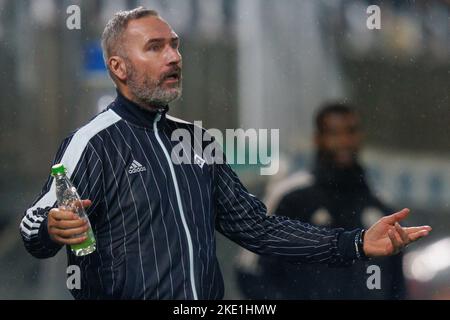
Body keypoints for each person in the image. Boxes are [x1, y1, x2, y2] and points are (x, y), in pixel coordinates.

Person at [19, 7, 431, 300]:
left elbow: (258, 229)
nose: (174, 57)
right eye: (156, 47)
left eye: (175, 46)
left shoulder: (197, 142)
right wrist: (51, 228)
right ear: (119, 68)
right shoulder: (92, 143)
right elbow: (32, 228)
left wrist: (356, 243)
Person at [235, 103, 406, 299]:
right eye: (334, 133)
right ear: (318, 139)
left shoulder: (381, 205)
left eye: (350, 131)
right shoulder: (290, 197)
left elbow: (396, 285)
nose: (344, 141)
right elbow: (250, 271)